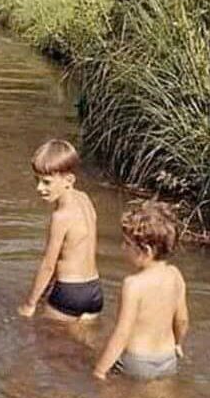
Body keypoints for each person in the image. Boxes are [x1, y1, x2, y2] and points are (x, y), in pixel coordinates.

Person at [93, 202, 189, 380]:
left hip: (138, 362)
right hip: (168, 359)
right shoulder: (175, 275)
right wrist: (178, 345)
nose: (123, 248)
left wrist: (100, 370)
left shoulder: (133, 284)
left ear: (146, 250)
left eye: (128, 244)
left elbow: (122, 333)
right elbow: (182, 320)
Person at [18, 139, 103, 321]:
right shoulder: (85, 199)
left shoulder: (61, 216)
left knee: (50, 345)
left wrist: (30, 303)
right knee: (85, 346)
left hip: (69, 293)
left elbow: (48, 265)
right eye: (37, 180)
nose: (39, 188)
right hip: (94, 291)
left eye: (46, 182)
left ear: (69, 180)